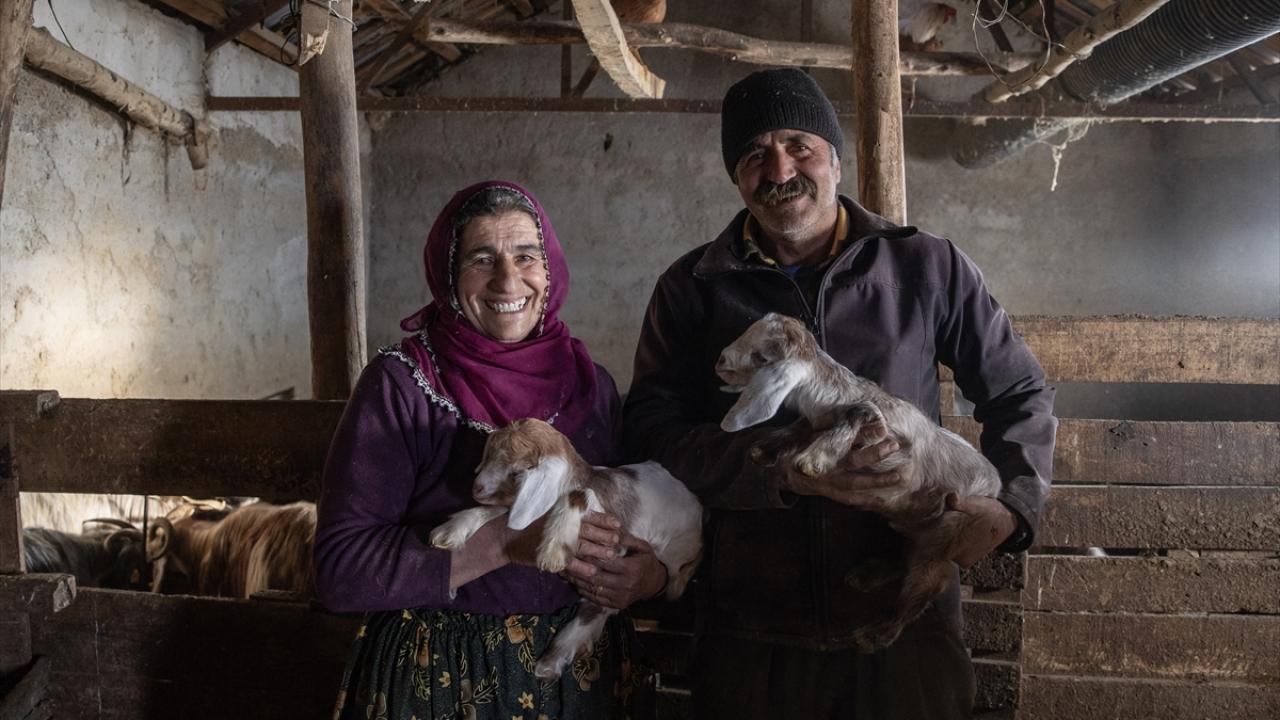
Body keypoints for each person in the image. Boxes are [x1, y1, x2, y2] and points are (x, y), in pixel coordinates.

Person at [623, 69, 1057, 719]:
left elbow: (1017, 390)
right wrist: (778, 469)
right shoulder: (694, 287)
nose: (778, 168)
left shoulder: (925, 266)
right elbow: (651, 427)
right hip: (751, 630)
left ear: (834, 157)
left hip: (904, 629)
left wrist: (1014, 506)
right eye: (753, 154)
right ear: (735, 176)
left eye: (799, 144)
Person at [316, 181, 668, 720]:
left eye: (527, 256)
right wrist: (503, 543)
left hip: (580, 678)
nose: (509, 279)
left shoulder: (590, 385)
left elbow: (636, 514)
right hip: (440, 680)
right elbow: (341, 572)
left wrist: (648, 577)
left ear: (549, 270)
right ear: (449, 277)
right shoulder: (401, 386)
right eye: (483, 259)